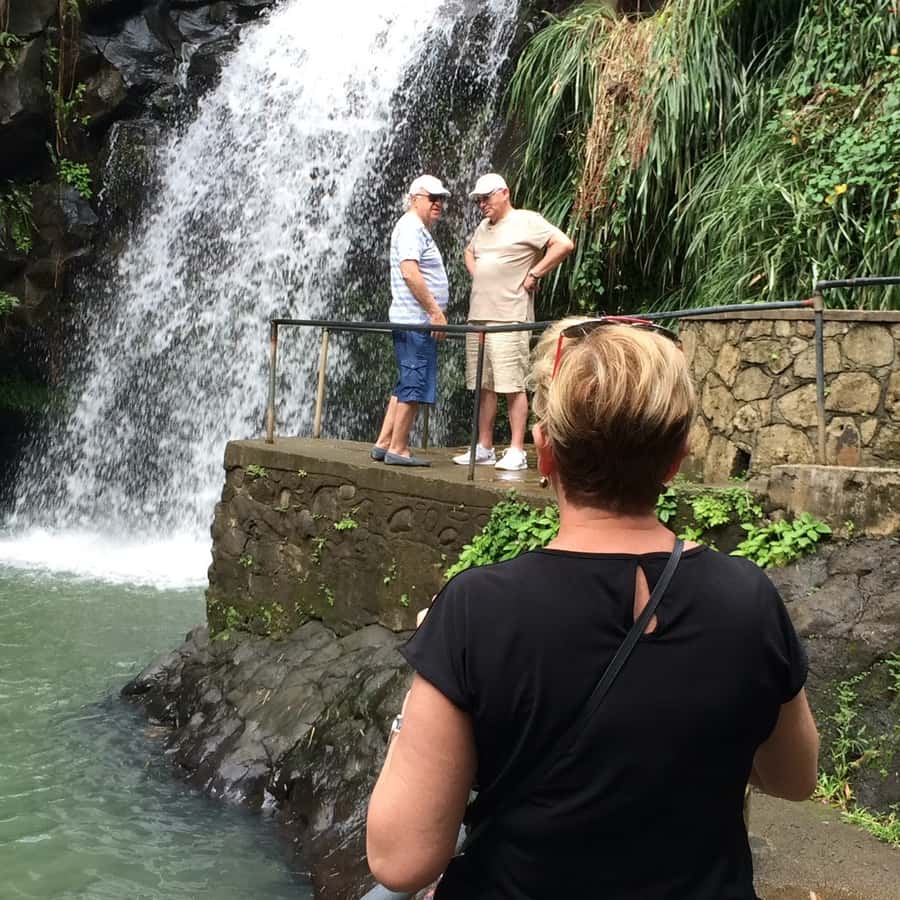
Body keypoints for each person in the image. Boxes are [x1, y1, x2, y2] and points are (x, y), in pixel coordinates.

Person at [367, 316, 819, 898]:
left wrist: (429, 676)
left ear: (545, 451)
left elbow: (400, 859)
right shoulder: (748, 598)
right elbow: (793, 777)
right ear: (677, 459)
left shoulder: (478, 611)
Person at [452, 173, 574, 471]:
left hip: (509, 316)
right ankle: (484, 447)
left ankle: (517, 449)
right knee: (484, 385)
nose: (482, 204)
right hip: (478, 316)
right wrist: (480, 274)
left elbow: (563, 244)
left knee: (511, 384)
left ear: (504, 193)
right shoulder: (483, 227)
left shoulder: (526, 221)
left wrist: (535, 273)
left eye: (486, 198)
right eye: (478, 200)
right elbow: (468, 251)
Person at [371, 175, 450, 467]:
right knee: (414, 382)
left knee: (406, 381)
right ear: (415, 199)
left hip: (412, 320)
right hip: (416, 321)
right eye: (432, 198)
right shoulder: (411, 228)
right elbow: (410, 272)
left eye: (441, 199)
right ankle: (399, 448)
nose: (438, 203)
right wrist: (435, 312)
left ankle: (384, 443)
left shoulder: (415, 228)